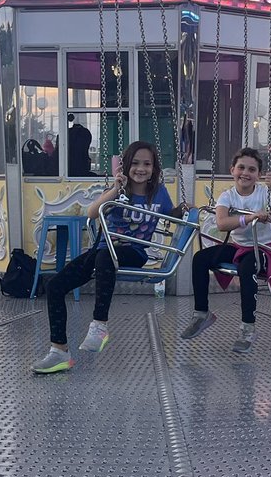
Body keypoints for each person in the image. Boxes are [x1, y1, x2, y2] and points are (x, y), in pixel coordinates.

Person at [32, 141, 187, 374]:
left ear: (154, 168)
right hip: (103, 251)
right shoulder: (118, 192)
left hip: (134, 253)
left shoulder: (159, 194)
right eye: (135, 163)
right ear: (125, 166)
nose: (140, 169)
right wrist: (115, 189)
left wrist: (184, 209)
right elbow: (92, 213)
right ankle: (59, 351)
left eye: (147, 163)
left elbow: (171, 213)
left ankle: (99, 325)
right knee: (54, 286)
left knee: (106, 256)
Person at [180, 147, 271, 354]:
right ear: (232, 170)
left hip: (263, 249)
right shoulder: (227, 195)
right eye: (241, 168)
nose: (246, 173)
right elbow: (221, 223)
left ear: (258, 175)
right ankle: (202, 314)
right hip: (240, 247)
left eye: (252, 170)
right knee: (200, 258)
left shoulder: (264, 193)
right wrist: (249, 217)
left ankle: (248, 327)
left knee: (247, 269)